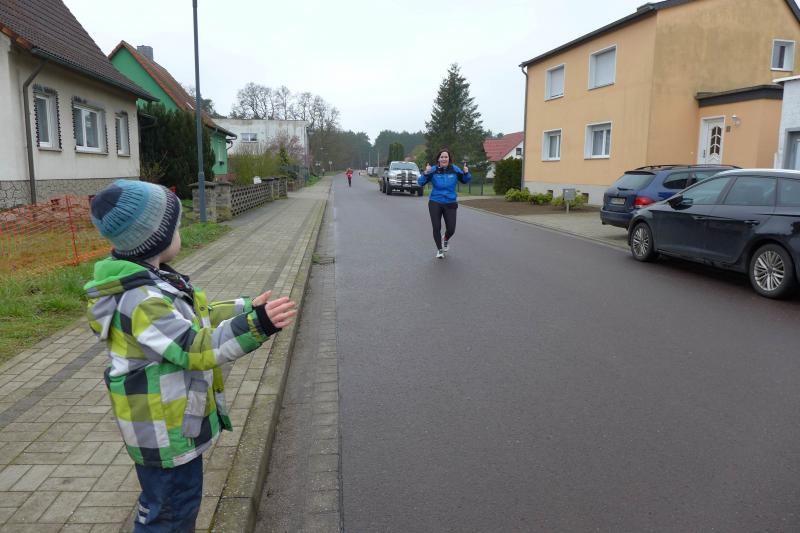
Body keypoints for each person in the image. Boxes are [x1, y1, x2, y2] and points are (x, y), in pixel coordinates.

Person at [84, 180, 296, 532]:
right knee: (170, 516)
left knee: (171, 508)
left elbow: (196, 317)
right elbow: (193, 347)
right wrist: (256, 324)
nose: (180, 233)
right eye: (176, 227)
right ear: (155, 240)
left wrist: (245, 308)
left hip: (167, 424)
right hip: (165, 433)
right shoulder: (142, 300)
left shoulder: (151, 281)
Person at [417, 148, 472, 258]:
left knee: (451, 229)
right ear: (438, 159)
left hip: (450, 202)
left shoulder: (455, 169)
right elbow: (421, 182)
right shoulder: (433, 170)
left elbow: (465, 180)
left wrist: (466, 173)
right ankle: (439, 250)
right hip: (435, 201)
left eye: (446, 157)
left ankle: (446, 238)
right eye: (441, 157)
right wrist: (426, 173)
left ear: (449, 159)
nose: (444, 159)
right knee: (436, 227)